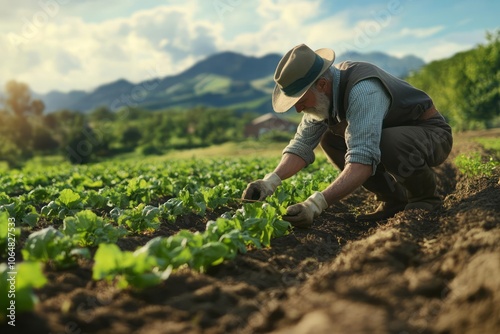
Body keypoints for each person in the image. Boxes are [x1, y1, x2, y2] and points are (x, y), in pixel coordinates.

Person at [242, 44, 453, 227]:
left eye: (300, 101)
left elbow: (362, 159)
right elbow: (301, 144)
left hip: (431, 135)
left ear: (322, 85)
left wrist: (316, 204)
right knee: (330, 139)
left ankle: (424, 199)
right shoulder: (321, 98)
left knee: (387, 141)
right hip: (392, 136)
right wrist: (270, 181)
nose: (298, 110)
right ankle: (394, 199)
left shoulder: (364, 91)